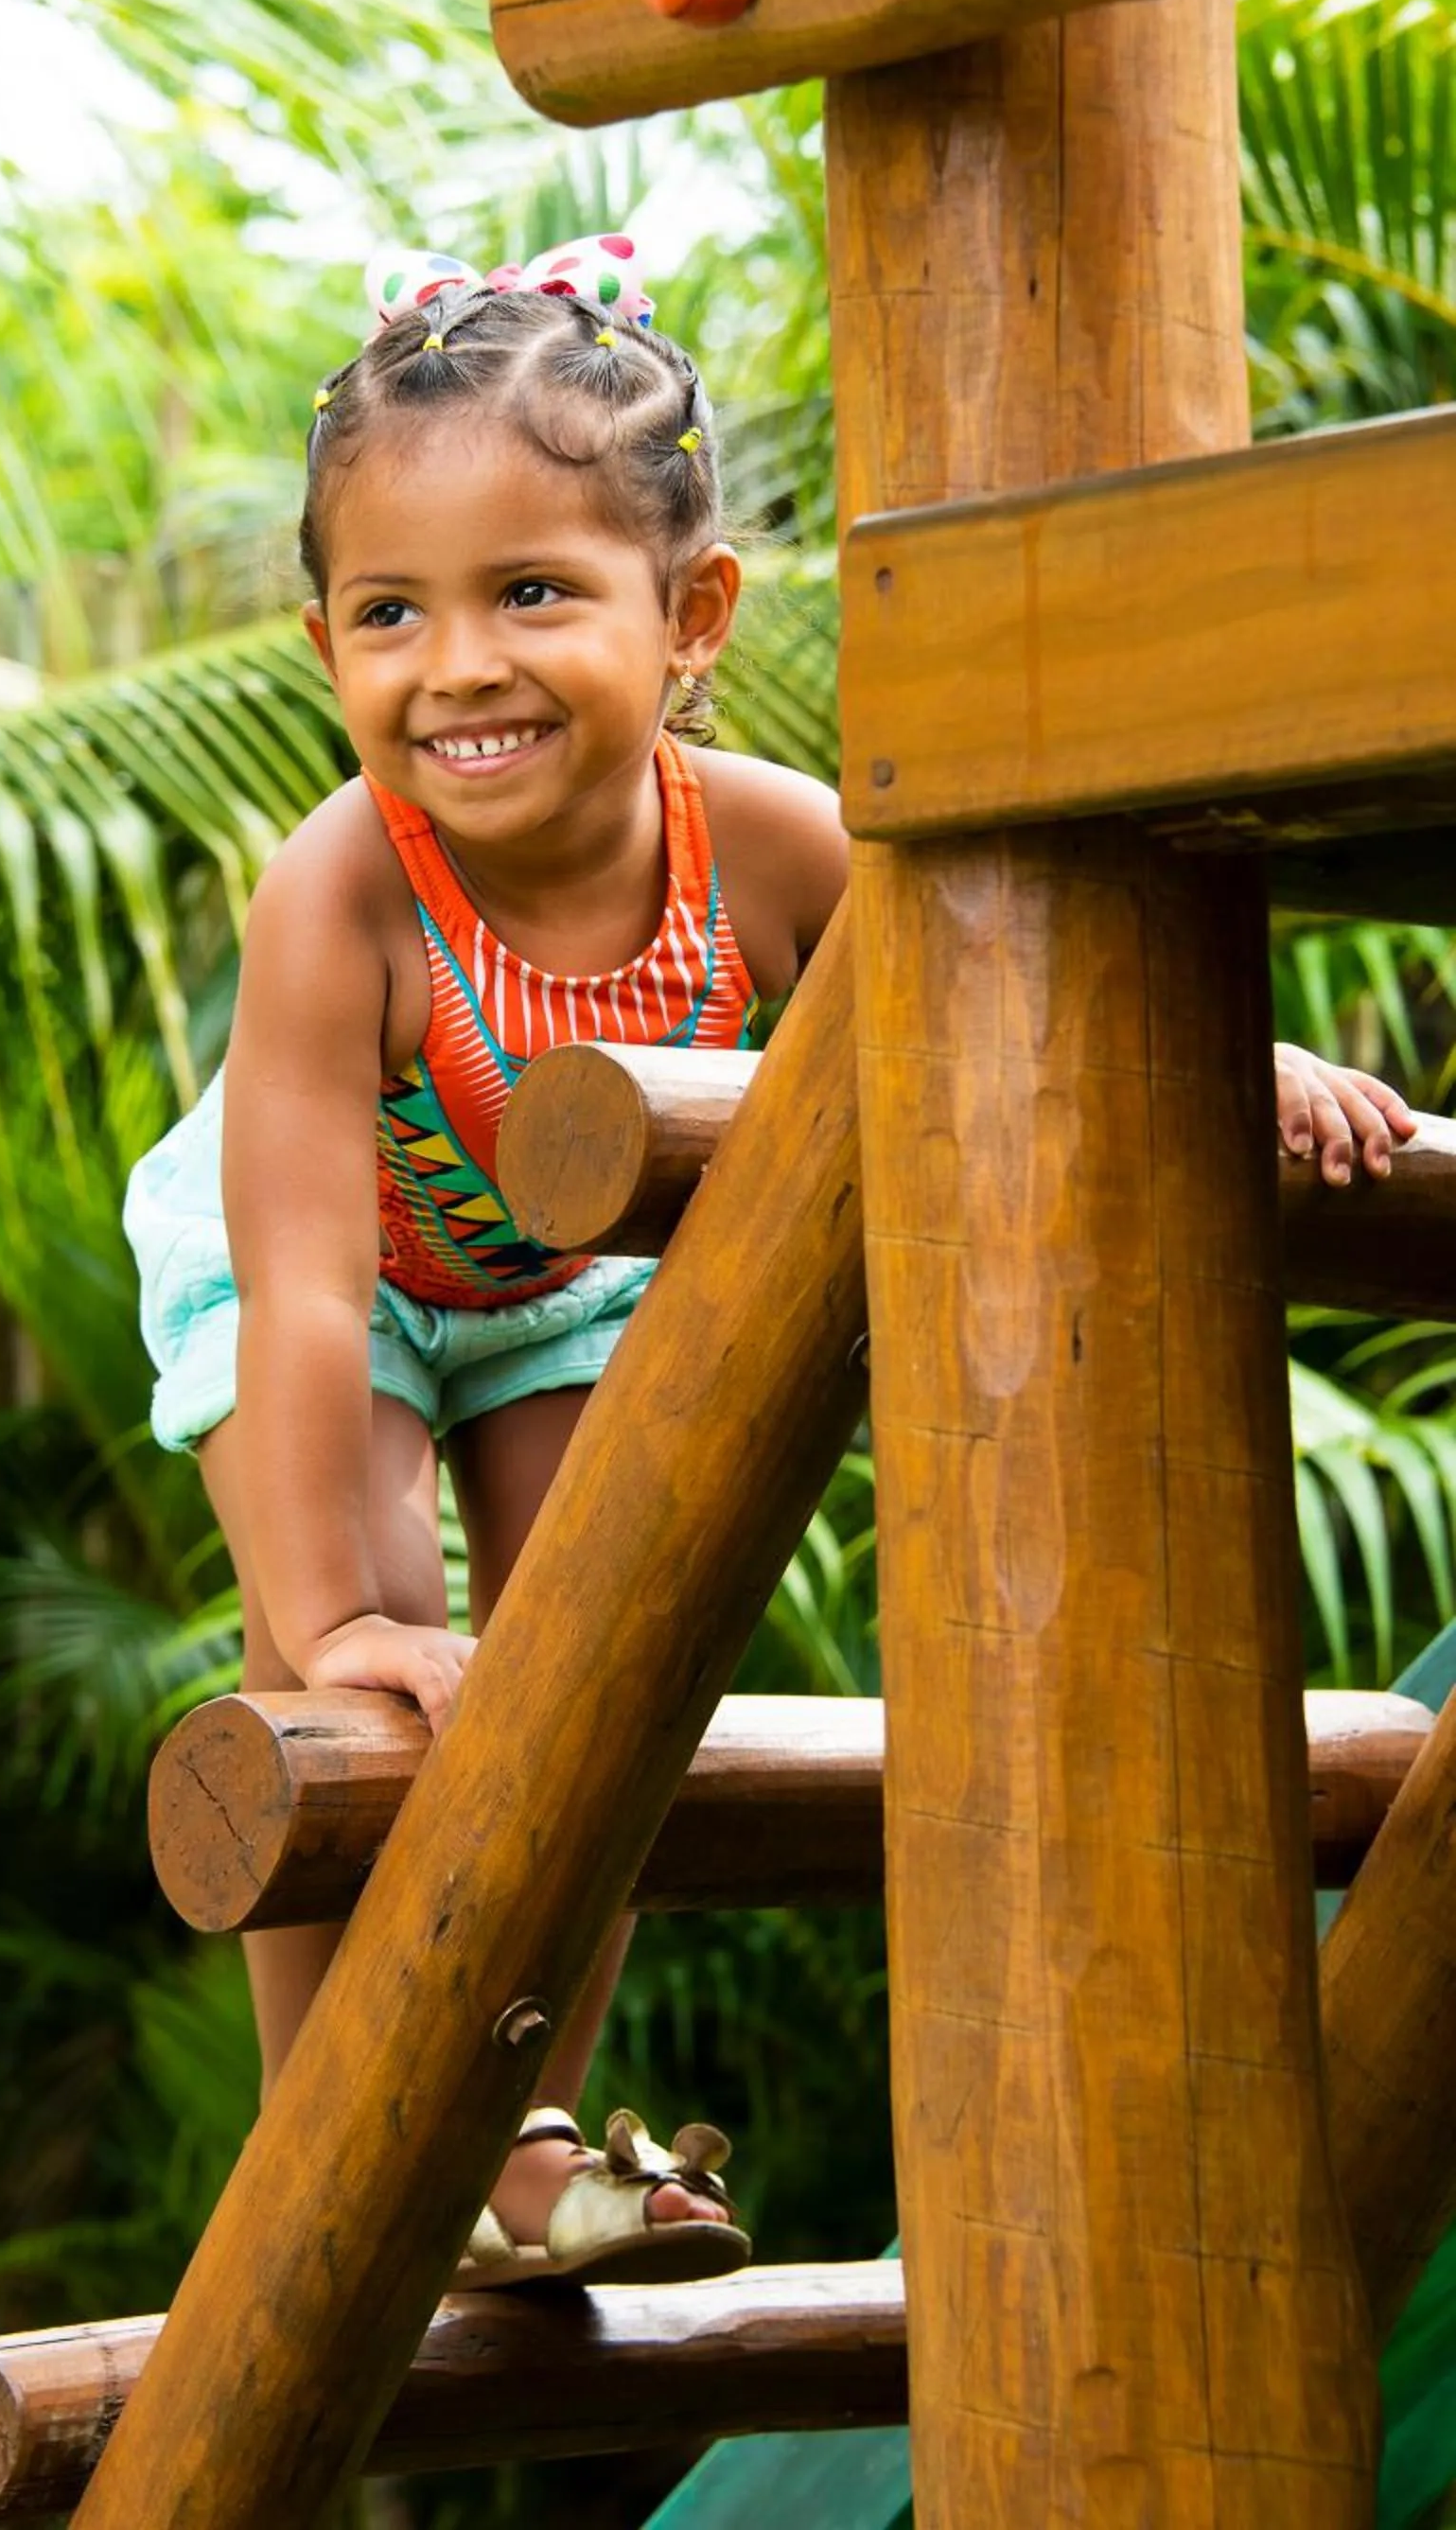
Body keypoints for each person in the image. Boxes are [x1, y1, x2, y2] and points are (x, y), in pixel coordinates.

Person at [125, 236, 1416, 2289]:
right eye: (388, 614)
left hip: (568, 1274)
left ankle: (511, 2125)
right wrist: (327, 1615)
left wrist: (1223, 1055)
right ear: (322, 646)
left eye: (528, 592)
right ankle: (328, 2143)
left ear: (690, 613)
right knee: (357, 1679)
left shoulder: (775, 841)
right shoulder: (341, 888)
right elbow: (293, 1286)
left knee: (585, 1672)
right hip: (329, 1270)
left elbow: (1014, 992)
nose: (452, 664)